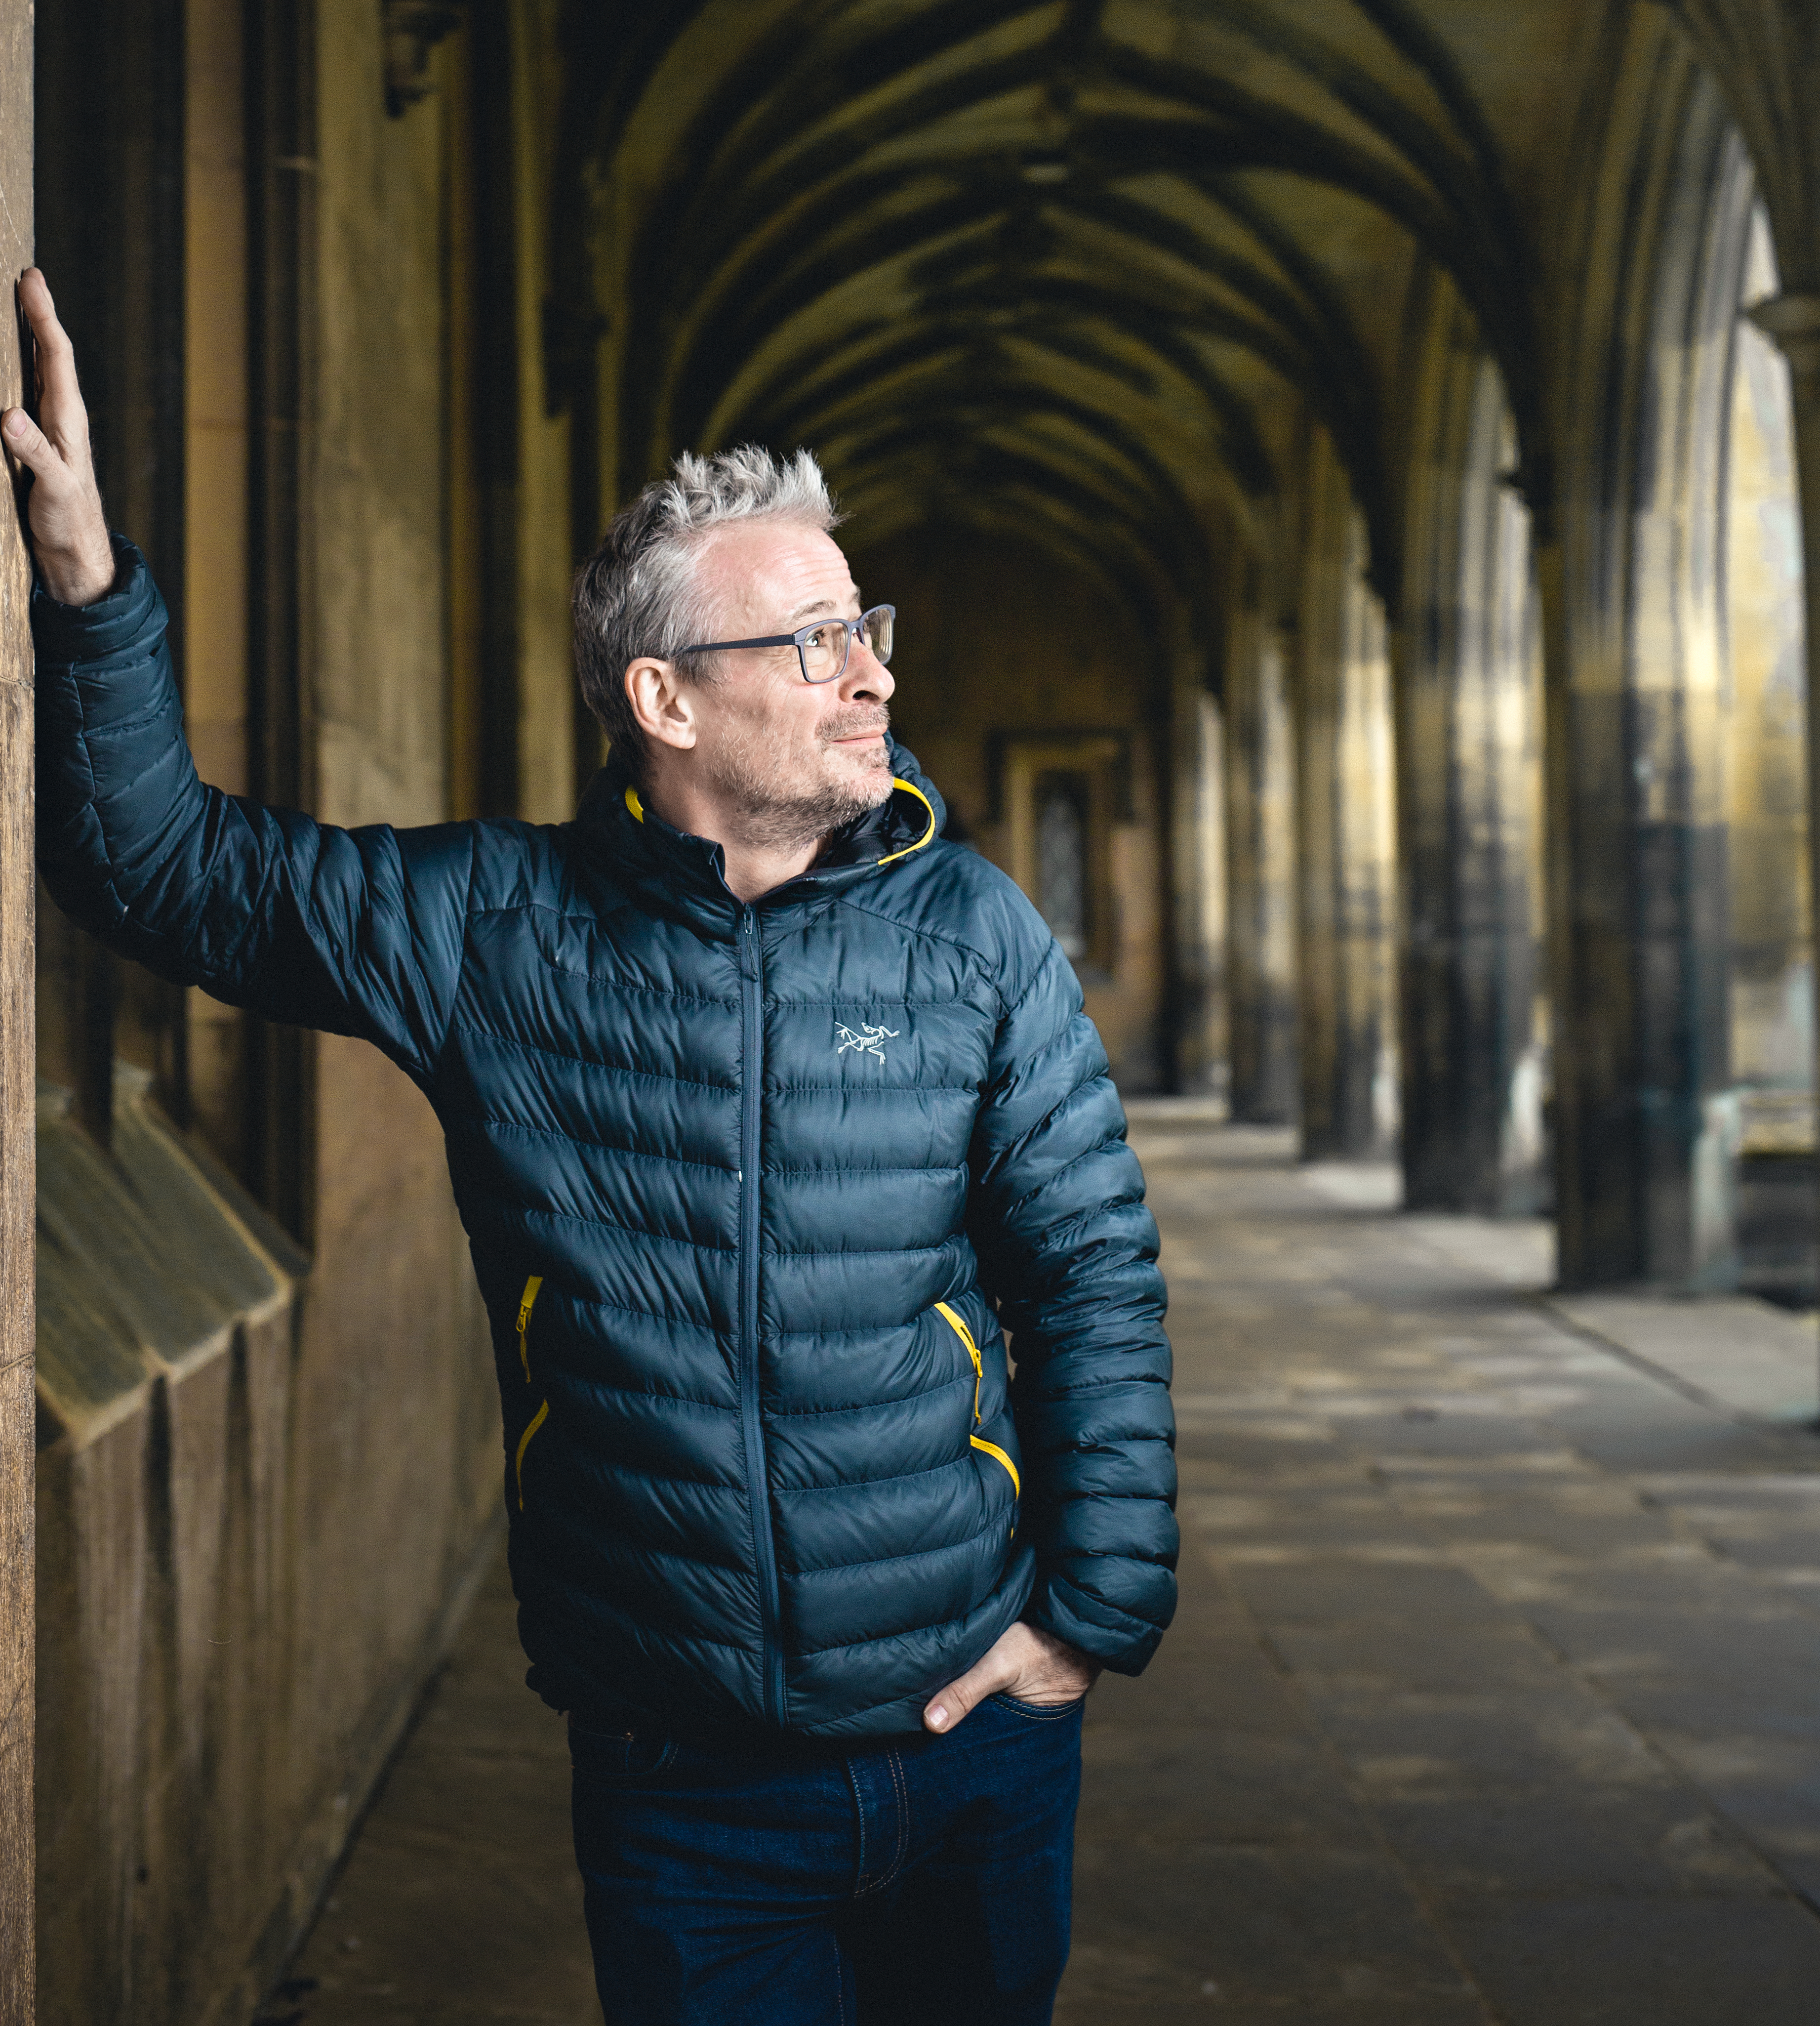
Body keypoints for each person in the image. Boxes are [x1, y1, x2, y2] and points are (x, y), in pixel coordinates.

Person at [6, 266, 1177, 2026]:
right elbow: (161, 874)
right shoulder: (496, 928)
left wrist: (1091, 1614)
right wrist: (90, 584)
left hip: (972, 1749)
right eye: (813, 642)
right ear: (668, 701)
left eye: (866, 625)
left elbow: (1089, 1271)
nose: (869, 674)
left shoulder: (975, 936)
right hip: (685, 1782)